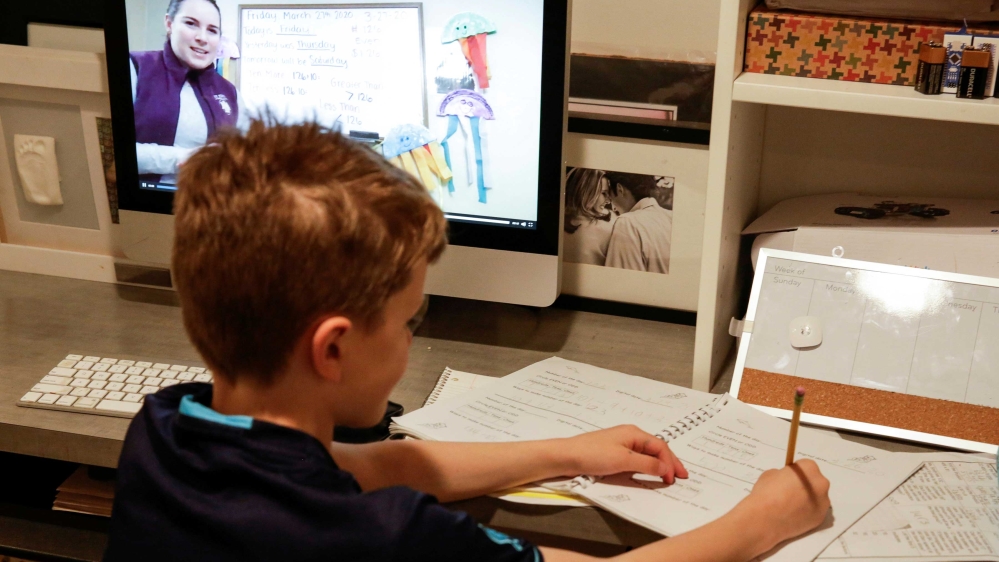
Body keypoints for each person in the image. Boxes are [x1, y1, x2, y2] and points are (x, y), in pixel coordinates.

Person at [104, 120, 831, 562]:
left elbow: (374, 465)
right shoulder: (381, 539)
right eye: (407, 321)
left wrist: (570, 452)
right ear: (332, 350)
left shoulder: (165, 430)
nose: (410, 339)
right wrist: (759, 521)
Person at [130, 0, 245, 185]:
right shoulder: (137, 67)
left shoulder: (230, 93)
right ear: (169, 23)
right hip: (142, 198)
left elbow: (243, 155)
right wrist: (186, 158)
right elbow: (113, 152)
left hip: (210, 201)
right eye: (191, 24)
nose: (203, 38)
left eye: (212, 30)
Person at [605, 172, 673, 274]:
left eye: (609, 195)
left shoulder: (627, 222)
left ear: (620, 189)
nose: (611, 205)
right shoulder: (671, 217)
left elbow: (621, 277)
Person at [563, 168, 616, 266]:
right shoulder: (610, 228)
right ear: (585, 192)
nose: (608, 200)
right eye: (604, 193)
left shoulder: (612, 221)